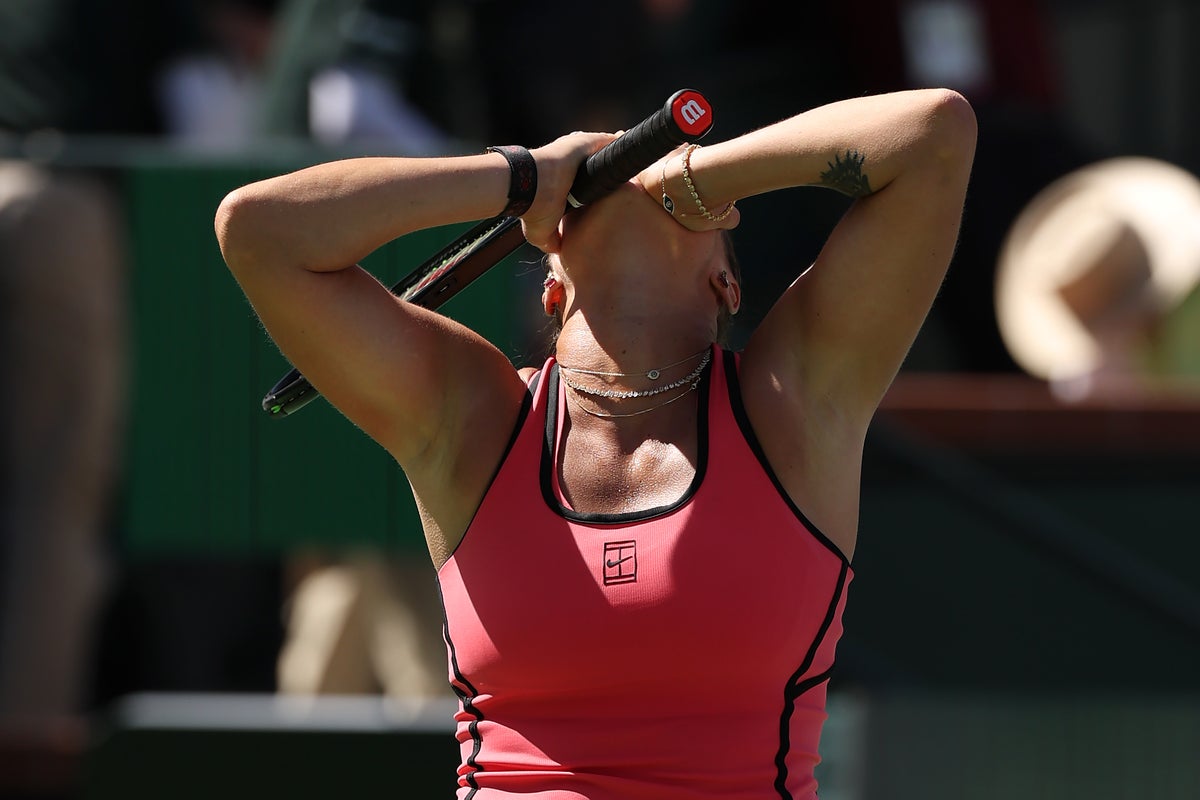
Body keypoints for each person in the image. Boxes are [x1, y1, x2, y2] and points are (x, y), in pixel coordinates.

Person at [215, 87, 976, 798]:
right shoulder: (477, 417)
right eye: (605, 168)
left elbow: (934, 134)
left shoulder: (791, 404)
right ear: (552, 288)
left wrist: (701, 175)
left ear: (726, 285)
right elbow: (259, 229)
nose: (627, 166)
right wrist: (519, 177)